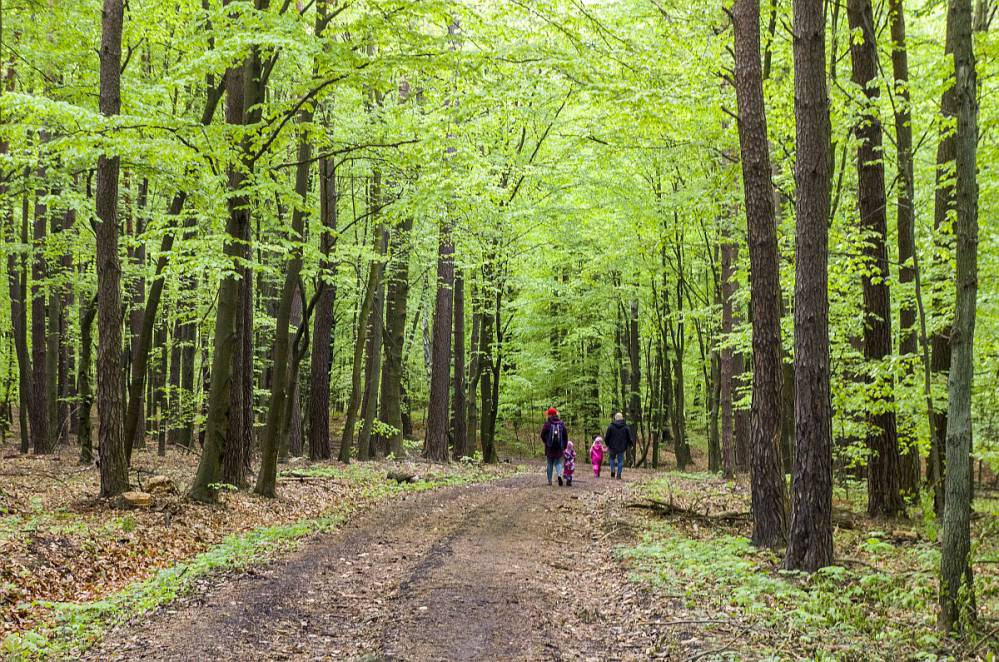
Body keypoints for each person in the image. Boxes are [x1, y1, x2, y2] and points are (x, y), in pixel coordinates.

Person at [541, 407, 568, 486]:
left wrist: (546, 442)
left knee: (549, 463)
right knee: (558, 462)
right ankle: (559, 475)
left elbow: (542, 435)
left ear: (549, 415)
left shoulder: (547, 424)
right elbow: (565, 435)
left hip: (549, 447)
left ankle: (549, 481)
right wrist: (564, 446)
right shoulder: (561, 423)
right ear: (556, 414)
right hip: (559, 447)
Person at [603, 412, 634, 479]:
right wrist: (630, 444)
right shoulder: (626, 427)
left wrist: (607, 444)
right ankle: (619, 475)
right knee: (620, 461)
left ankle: (612, 472)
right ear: (622, 418)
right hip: (621, 447)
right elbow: (629, 437)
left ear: (615, 418)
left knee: (611, 459)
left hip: (612, 446)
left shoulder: (611, 426)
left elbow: (607, 437)